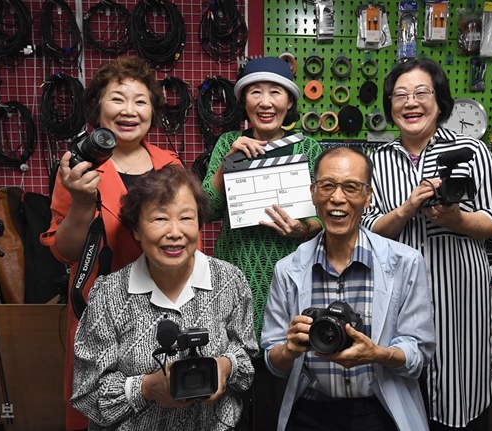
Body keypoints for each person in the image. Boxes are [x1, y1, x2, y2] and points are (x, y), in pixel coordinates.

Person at [360, 58, 492, 430]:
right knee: (399, 386)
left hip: (458, 294)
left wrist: (457, 220)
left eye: (421, 93)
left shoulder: (472, 152)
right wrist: (407, 209)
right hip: (395, 297)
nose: (410, 102)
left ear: (440, 103)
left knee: (459, 381)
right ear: (390, 106)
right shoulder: (376, 162)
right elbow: (367, 229)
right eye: (400, 95)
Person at [40, 56, 184, 430]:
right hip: (98, 310)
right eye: (117, 99)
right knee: (101, 408)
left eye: (141, 101)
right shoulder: (77, 167)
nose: (129, 110)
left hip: (161, 308)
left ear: (152, 111)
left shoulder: (171, 166)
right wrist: (83, 202)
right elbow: (67, 252)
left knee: (162, 403)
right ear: (98, 108)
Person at [261, 146, 436, 431]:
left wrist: (377, 354)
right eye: (327, 186)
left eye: (351, 187)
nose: (337, 198)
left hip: (379, 411)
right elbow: (272, 360)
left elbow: (419, 354)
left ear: (368, 197)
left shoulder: (405, 262)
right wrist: (290, 349)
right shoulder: (288, 269)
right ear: (313, 193)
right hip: (311, 411)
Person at [71, 165, 259, 430]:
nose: (175, 232)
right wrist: (147, 388)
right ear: (136, 229)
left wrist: (226, 366)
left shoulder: (229, 281)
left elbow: (247, 357)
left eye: (186, 218)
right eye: (160, 219)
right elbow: (87, 394)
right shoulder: (109, 294)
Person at [202, 56, 322, 429]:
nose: (265, 101)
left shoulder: (310, 148)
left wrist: (304, 228)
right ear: (244, 100)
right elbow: (206, 209)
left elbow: (325, 218)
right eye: (255, 91)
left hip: (286, 279)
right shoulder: (227, 143)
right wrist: (227, 163)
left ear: (289, 102)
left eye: (276, 92)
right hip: (234, 277)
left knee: (281, 372)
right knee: (233, 374)